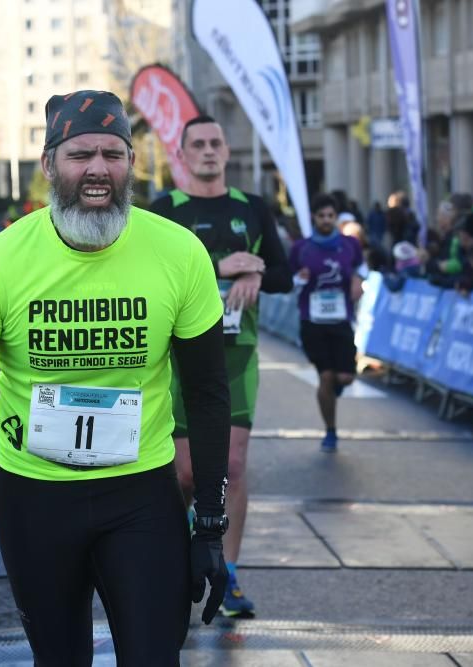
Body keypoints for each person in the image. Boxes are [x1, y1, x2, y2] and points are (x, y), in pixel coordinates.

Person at [0, 90, 231, 665]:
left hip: (140, 494)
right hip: (36, 499)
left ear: (132, 164)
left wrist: (209, 524)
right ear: (49, 164)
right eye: (81, 154)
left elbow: (208, 393)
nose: (98, 170)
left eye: (114, 154)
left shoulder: (180, 253)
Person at [149, 115, 293, 619]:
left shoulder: (252, 208)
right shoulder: (166, 209)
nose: (208, 151)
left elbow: (282, 275)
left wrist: (257, 272)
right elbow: (149, 271)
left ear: (227, 151)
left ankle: (228, 574)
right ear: (183, 155)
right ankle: (178, 560)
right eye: (198, 145)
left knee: (231, 467)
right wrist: (217, 266)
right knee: (185, 475)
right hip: (177, 361)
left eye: (216, 143)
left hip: (236, 355)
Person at [288, 194, 364, 452]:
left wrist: (357, 281)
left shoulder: (350, 244)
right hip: (312, 319)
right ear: (314, 218)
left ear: (336, 218)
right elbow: (288, 280)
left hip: (341, 319)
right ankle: (330, 430)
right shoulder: (302, 248)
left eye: (330, 216)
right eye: (321, 216)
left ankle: (335, 388)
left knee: (345, 377)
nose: (326, 220)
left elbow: (361, 269)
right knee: (326, 376)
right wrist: (299, 278)